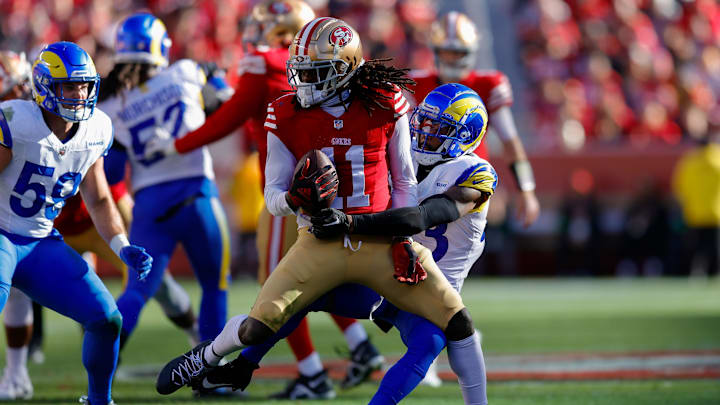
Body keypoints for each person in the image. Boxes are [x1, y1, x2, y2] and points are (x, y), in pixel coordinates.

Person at [156, 18, 478, 403]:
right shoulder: (285, 112)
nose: (305, 81)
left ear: (345, 68)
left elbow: (404, 181)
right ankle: (206, 356)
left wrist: (403, 240)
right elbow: (272, 195)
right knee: (259, 325)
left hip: (378, 241)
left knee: (457, 321)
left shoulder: (385, 102)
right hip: (319, 241)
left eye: (317, 72)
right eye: (301, 71)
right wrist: (296, 199)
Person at [144, 1, 383, 396]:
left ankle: (310, 374)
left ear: (288, 31)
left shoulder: (265, 64)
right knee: (312, 287)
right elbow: (250, 104)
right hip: (322, 195)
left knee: (279, 290)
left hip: (290, 194)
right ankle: (359, 348)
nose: (258, 32)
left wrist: (176, 145)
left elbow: (231, 117)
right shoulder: (315, 71)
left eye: (269, 25)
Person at [0, 41, 153, 405]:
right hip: (3, 233)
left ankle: (100, 400)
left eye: (84, 85)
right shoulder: (15, 123)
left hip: (40, 243)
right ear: (44, 87)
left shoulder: (96, 129)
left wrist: (121, 244)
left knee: (106, 319)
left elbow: (99, 198)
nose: (79, 93)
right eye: (69, 85)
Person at [97, 13, 232, 352]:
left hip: (149, 205)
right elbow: (222, 98)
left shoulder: (112, 105)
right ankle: (209, 378)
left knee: (135, 293)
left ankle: (99, 376)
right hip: (197, 194)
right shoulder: (185, 72)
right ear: (160, 47)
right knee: (214, 287)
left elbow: (112, 175)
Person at [410, 11, 539, 229]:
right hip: (422, 179)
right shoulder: (415, 82)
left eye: (458, 53)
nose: (451, 59)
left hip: (468, 179)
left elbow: (510, 141)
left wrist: (526, 189)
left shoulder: (489, 85)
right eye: (447, 52)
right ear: (435, 51)